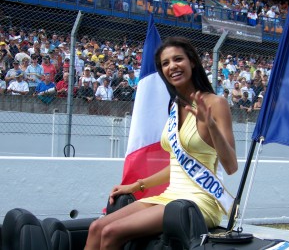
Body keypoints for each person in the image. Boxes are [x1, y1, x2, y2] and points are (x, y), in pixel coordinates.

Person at [85, 37, 238, 249]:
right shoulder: (175, 106)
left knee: (112, 232)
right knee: (96, 228)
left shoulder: (215, 103)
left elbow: (231, 167)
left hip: (198, 203)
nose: (172, 66)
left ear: (192, 62)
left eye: (178, 59)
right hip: (170, 196)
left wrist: (211, 126)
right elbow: (177, 166)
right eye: (165, 63)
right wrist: (137, 185)